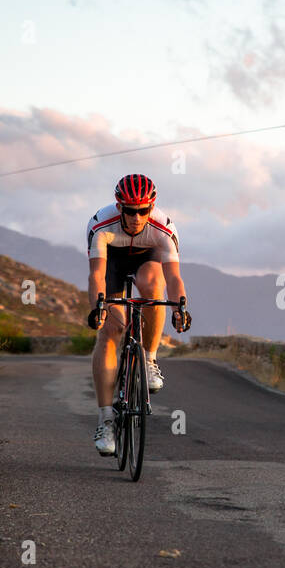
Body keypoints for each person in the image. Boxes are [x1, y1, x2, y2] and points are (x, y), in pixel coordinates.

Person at [85, 173, 191, 456]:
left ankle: (149, 358)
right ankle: (106, 420)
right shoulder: (101, 225)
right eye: (130, 211)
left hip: (148, 257)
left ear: (151, 207)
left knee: (153, 285)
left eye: (142, 210)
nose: (136, 217)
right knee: (111, 331)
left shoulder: (163, 227)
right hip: (112, 262)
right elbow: (96, 274)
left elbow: (174, 278)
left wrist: (180, 307)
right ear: (119, 207)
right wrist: (99, 306)